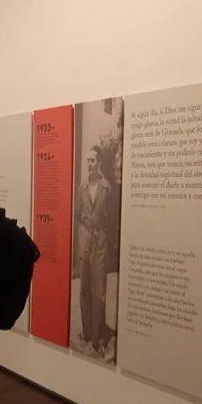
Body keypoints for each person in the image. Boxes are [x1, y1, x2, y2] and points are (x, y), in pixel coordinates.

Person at [76, 144, 112, 358]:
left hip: (99, 241)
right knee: (84, 289)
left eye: (93, 160)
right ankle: (87, 331)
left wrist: (103, 236)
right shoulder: (81, 188)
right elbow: (79, 214)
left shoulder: (106, 188)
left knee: (98, 291)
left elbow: (112, 217)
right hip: (85, 240)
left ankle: (98, 338)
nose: (90, 164)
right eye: (87, 161)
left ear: (99, 162)